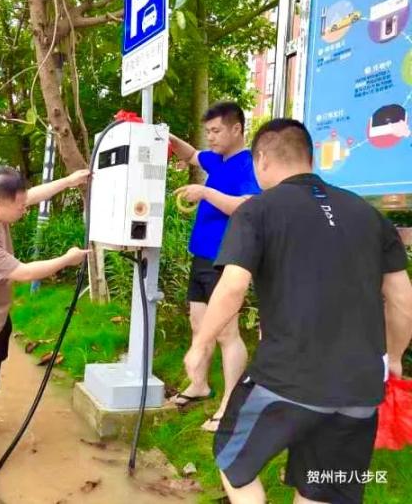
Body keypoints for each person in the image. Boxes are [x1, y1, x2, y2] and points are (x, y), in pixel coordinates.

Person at [184, 118, 412, 504]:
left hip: (285, 379)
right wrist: (392, 358)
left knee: (231, 458)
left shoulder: (257, 210)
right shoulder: (369, 215)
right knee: (322, 487)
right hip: (359, 386)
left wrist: (201, 344)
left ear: (261, 160)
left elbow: (233, 287)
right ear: (310, 158)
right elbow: (402, 299)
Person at [0, 166, 90, 451]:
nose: (24, 210)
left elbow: (29, 196)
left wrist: (69, 181)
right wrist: (67, 259)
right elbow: (24, 273)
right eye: (19, 207)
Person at [167, 101, 261, 431]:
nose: (210, 137)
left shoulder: (249, 164)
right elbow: (192, 155)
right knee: (198, 323)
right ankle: (199, 385)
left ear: (237, 129)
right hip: (202, 256)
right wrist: (168, 138)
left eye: (216, 131)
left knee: (226, 332)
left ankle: (231, 405)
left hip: (227, 259)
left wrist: (206, 192)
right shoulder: (216, 160)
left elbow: (247, 207)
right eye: (207, 131)